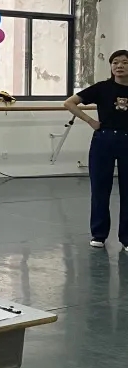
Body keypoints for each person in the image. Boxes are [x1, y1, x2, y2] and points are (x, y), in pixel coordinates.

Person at [64, 49, 128, 253]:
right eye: (115, 62)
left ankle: (126, 238)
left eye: (124, 62)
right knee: (100, 188)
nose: (119, 66)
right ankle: (99, 235)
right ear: (111, 66)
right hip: (104, 140)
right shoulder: (102, 88)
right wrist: (90, 121)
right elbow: (69, 102)